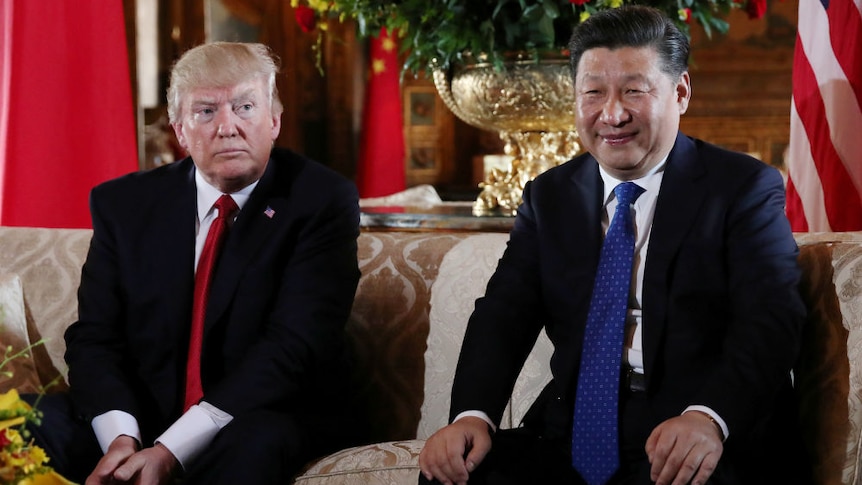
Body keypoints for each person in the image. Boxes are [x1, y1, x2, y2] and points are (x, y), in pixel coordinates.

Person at [418, 6, 811, 485]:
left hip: (696, 428)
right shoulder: (550, 196)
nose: (612, 114)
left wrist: (709, 417)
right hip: (574, 429)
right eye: (593, 93)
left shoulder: (742, 187)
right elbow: (504, 312)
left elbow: (771, 318)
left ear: (680, 92)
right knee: (452, 475)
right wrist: (472, 416)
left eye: (633, 90)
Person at [28, 42, 362, 484]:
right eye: (206, 111)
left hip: (258, 411)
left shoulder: (320, 200)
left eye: (245, 107)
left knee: (256, 441)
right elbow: (94, 337)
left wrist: (171, 448)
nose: (228, 127)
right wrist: (122, 440)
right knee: (33, 421)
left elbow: (294, 348)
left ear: (274, 119)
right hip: (143, 417)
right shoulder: (124, 205)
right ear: (180, 131)